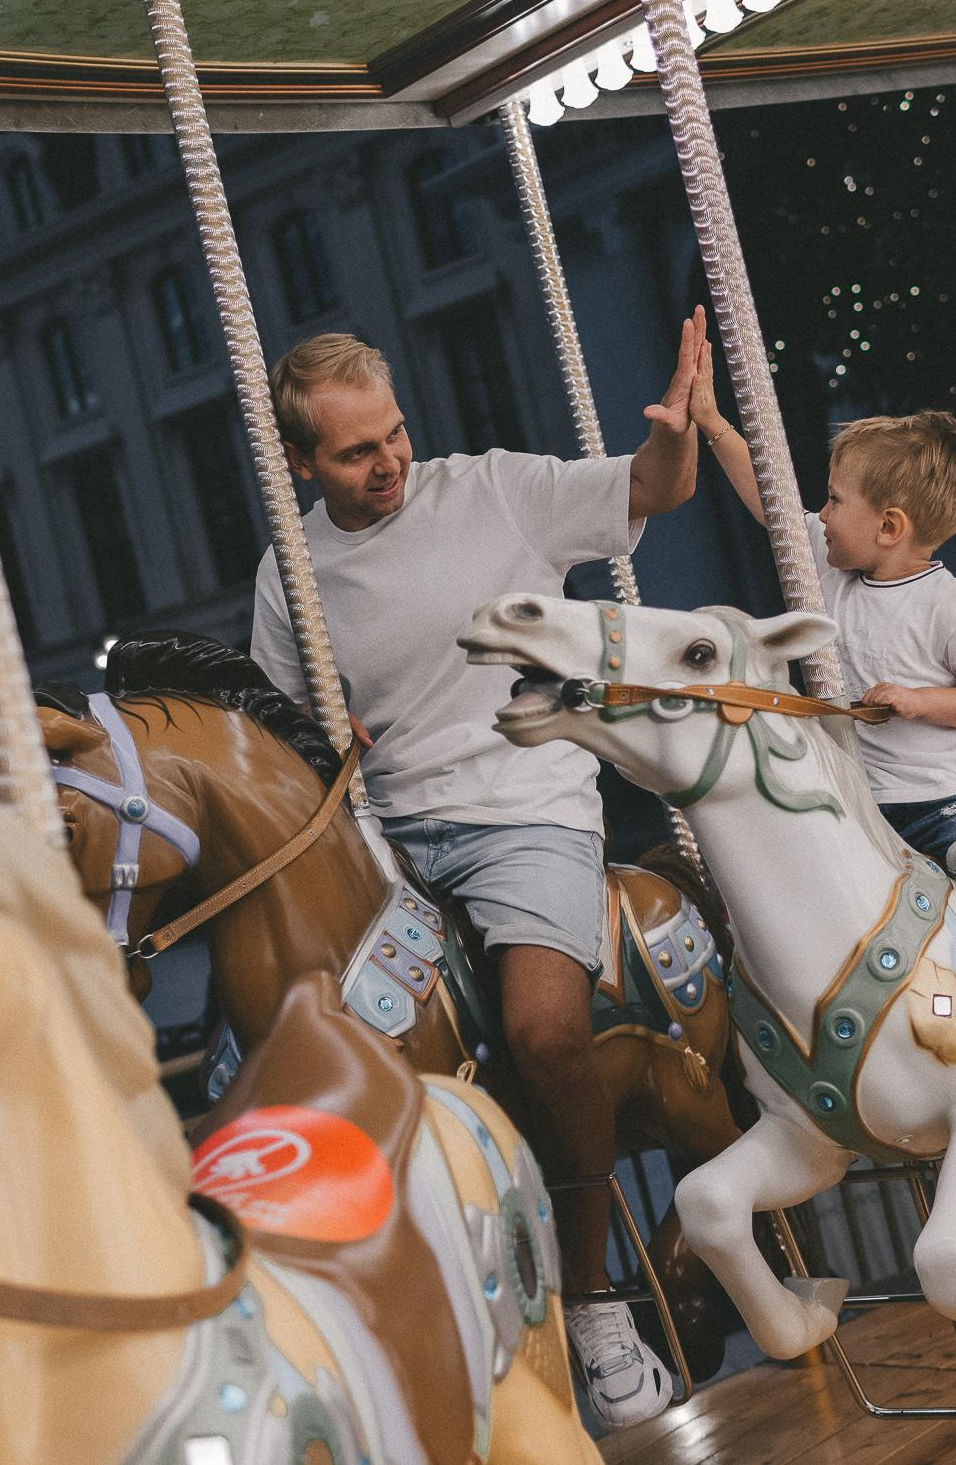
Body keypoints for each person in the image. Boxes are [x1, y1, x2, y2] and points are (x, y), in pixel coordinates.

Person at [250, 313, 707, 1428]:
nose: (389, 462)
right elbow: (279, 735)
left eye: (395, 435)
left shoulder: (494, 490)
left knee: (545, 1028)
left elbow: (653, 488)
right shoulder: (292, 568)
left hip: (523, 805)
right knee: (281, 1044)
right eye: (357, 453)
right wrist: (327, 742)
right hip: (394, 836)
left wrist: (679, 429)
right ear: (303, 461)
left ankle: (598, 1307)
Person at [691, 351, 956, 1158]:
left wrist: (922, 700)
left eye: (836, 501)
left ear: (890, 525)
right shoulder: (830, 574)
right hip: (867, 811)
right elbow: (771, 503)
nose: (819, 516)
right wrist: (715, 426)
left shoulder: (950, 603)